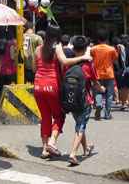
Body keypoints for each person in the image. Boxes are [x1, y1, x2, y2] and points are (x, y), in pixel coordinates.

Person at [33, 24, 91, 159]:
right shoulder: (56, 47)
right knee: (60, 115)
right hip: (52, 85)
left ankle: (44, 150)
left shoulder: (37, 49)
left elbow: (34, 69)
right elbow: (64, 62)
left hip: (38, 86)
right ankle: (52, 143)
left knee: (45, 117)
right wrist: (82, 58)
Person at [67, 36, 101, 166]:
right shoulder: (88, 64)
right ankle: (73, 154)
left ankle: (86, 149)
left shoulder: (68, 63)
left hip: (71, 100)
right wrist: (101, 89)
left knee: (80, 124)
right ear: (86, 48)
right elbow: (94, 81)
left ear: (73, 48)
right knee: (80, 126)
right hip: (84, 100)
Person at [89, 29, 117, 120]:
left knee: (98, 92)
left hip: (97, 74)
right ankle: (107, 114)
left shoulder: (93, 49)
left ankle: (99, 104)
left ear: (97, 39)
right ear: (107, 38)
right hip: (109, 74)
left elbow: (91, 60)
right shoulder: (111, 49)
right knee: (109, 95)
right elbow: (115, 60)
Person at [117, 34, 129, 113]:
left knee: (122, 88)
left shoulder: (120, 49)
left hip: (122, 69)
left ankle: (123, 104)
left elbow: (116, 59)